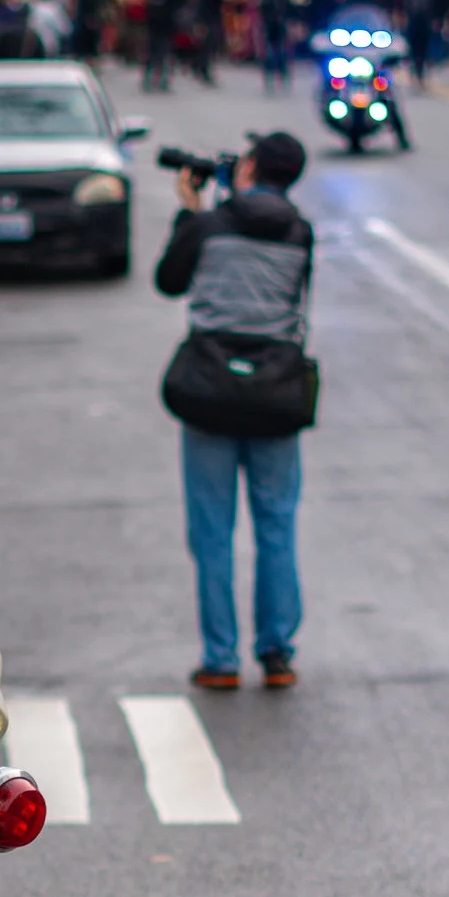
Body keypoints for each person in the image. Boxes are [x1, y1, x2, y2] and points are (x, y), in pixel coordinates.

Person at [156, 125, 313, 694]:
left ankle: (220, 658)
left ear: (248, 169)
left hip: (210, 393)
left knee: (212, 531)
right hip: (275, 394)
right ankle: (277, 653)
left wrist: (190, 211)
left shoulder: (208, 226)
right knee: (277, 526)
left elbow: (168, 281)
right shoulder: (301, 233)